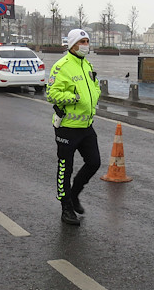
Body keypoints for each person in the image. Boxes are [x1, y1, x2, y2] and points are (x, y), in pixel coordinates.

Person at [46, 29, 101, 226]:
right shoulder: (61, 67)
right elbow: (51, 93)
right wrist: (74, 98)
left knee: (94, 162)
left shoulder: (87, 64)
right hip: (67, 127)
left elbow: (94, 86)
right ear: (72, 45)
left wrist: (95, 94)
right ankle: (66, 207)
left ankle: (75, 193)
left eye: (87, 41)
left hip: (86, 125)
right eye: (82, 41)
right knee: (65, 168)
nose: (86, 45)